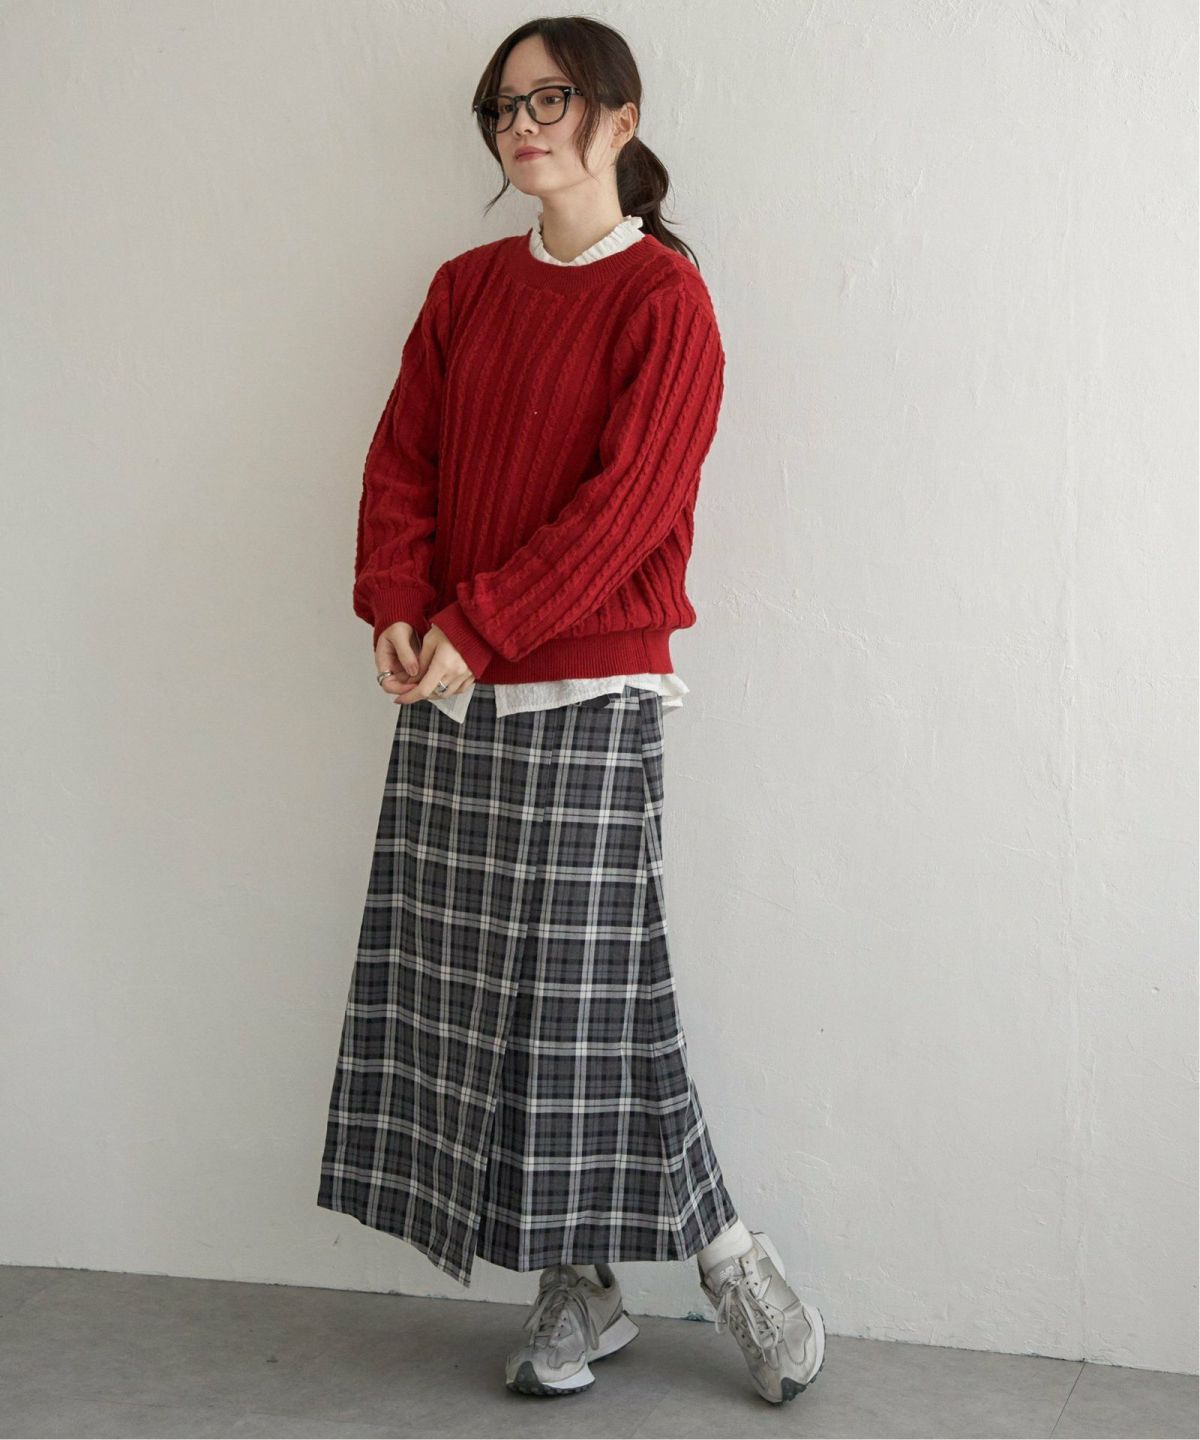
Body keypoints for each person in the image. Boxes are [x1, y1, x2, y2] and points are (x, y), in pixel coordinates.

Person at [316, 14, 825, 1406]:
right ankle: (582, 1282)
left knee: (605, 991)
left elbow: (628, 513)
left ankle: (724, 1254)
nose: (523, 125)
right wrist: (398, 604)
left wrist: (475, 626)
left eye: (550, 99)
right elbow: (401, 460)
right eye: (504, 107)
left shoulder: (665, 301)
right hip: (454, 685)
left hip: (588, 681)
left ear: (621, 116)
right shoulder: (464, 289)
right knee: (489, 996)